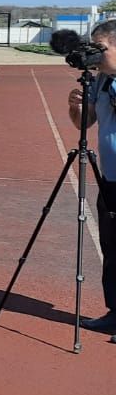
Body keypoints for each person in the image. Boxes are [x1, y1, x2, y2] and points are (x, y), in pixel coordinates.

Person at [66, 19, 116, 335]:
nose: (96, 56)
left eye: (102, 49)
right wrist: (77, 107)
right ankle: (115, 311)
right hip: (110, 179)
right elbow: (83, 124)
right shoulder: (99, 81)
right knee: (112, 249)